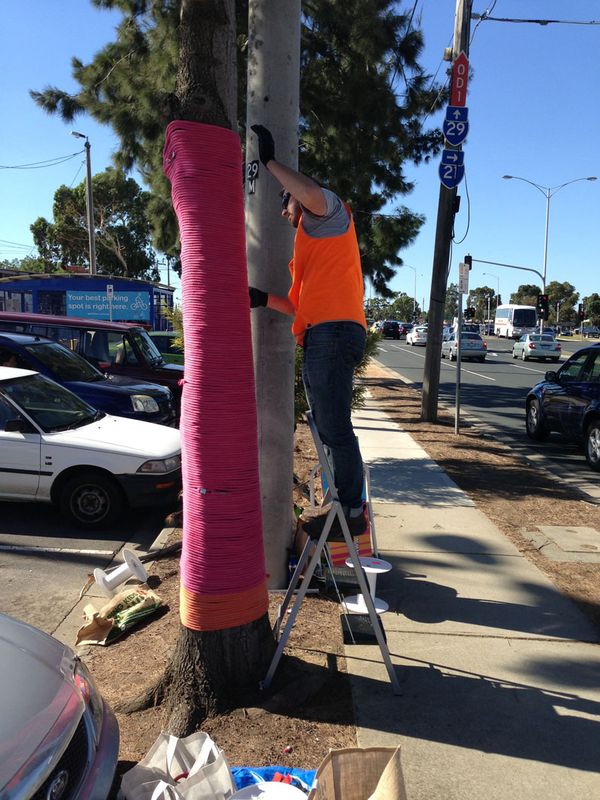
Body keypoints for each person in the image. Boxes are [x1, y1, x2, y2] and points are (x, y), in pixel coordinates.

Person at [249, 124, 368, 540]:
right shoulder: (312, 244)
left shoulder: (329, 216)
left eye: (287, 201)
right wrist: (263, 299)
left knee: (334, 425)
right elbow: (298, 306)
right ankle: (342, 506)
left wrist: (269, 163)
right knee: (326, 424)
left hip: (333, 334)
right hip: (323, 333)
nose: (284, 211)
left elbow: (312, 195)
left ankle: (351, 512)